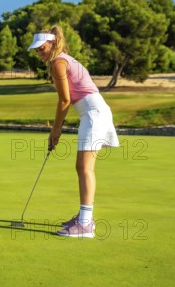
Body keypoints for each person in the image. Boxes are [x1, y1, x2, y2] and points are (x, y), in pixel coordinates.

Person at [28, 25, 119, 238]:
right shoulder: (65, 59)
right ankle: (84, 217)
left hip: (93, 113)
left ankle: (85, 225)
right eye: (36, 50)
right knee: (83, 167)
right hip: (93, 112)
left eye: (41, 48)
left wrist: (55, 130)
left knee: (84, 167)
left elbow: (65, 100)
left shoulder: (58, 63)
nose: (38, 53)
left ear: (52, 44)